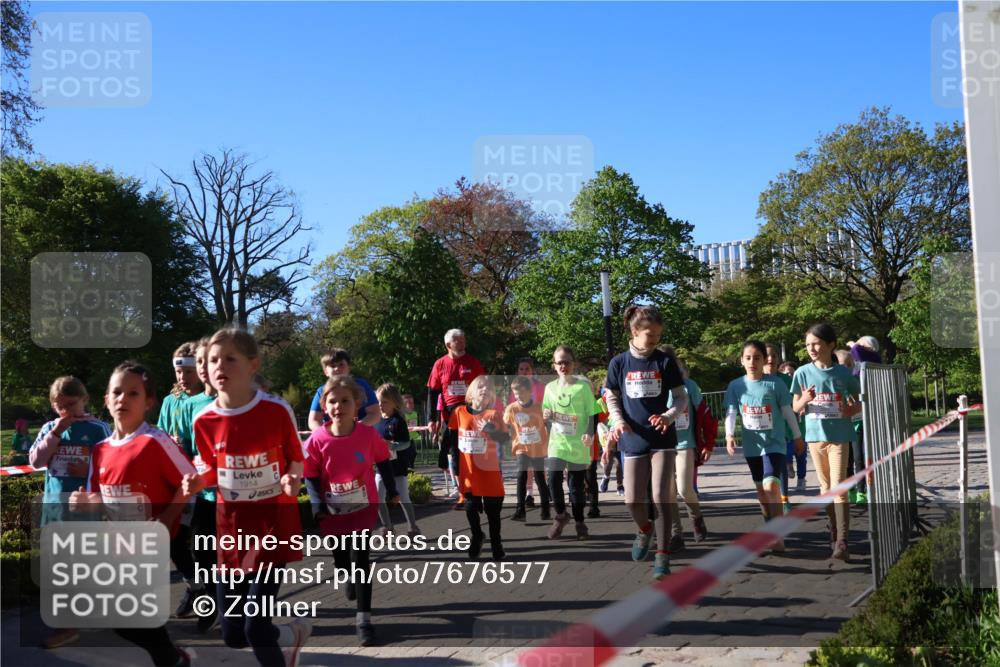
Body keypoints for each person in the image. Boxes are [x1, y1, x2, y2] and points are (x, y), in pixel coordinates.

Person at [183, 328, 311, 666]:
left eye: (229, 358)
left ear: (253, 364)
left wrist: (293, 477)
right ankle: (290, 634)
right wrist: (199, 483)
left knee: (254, 627)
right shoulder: (203, 420)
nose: (218, 366)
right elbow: (212, 469)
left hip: (272, 525)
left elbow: (296, 456)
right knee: (233, 634)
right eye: (212, 360)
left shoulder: (275, 410)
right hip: (231, 531)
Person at [68, 362, 194, 666]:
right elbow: (98, 497)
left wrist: (167, 519)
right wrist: (83, 502)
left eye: (133, 393)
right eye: (117, 392)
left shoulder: (155, 441)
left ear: (148, 402)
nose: (123, 399)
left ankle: (172, 659)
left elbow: (190, 482)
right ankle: (172, 658)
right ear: (107, 400)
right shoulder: (100, 449)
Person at [304, 375, 399, 646]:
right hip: (332, 513)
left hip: (362, 508)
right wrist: (317, 505)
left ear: (357, 404)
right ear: (324, 406)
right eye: (332, 401)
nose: (339, 406)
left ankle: (364, 619)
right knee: (342, 558)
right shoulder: (317, 439)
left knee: (361, 563)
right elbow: (310, 475)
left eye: (345, 401)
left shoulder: (368, 435)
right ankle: (343, 571)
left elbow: (383, 461)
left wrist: (392, 491)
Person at [604, 306, 686, 579]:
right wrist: (617, 421)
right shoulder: (619, 363)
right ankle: (644, 530)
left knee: (662, 497)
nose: (654, 341)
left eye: (658, 336)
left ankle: (662, 556)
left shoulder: (664, 361)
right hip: (633, 437)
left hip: (662, 437)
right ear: (634, 331)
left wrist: (668, 416)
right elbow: (612, 397)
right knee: (631, 500)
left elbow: (681, 398)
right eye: (650, 335)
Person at [30, 376, 111, 650]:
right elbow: (36, 461)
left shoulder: (98, 429)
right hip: (54, 509)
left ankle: (69, 625)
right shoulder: (49, 428)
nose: (65, 411)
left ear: (84, 400)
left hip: (84, 511)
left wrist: (87, 468)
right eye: (59, 405)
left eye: (71, 404)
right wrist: (54, 434)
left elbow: (111, 467)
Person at [725, 341, 806, 552]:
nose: (753, 362)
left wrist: (797, 436)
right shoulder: (735, 386)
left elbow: (788, 411)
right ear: (742, 361)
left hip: (774, 443)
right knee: (761, 490)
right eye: (748, 358)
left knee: (771, 486)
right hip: (752, 446)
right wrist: (729, 435)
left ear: (764, 360)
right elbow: (732, 412)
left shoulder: (775, 384)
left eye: (757, 358)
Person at [791, 323, 862, 562]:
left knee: (839, 487)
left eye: (816, 343)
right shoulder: (802, 372)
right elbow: (795, 407)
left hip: (839, 436)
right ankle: (834, 530)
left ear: (830, 344)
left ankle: (843, 539)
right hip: (815, 437)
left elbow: (858, 403)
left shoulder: (843, 373)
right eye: (808, 344)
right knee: (825, 490)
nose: (811, 348)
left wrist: (848, 410)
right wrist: (806, 399)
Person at [173, 336, 221, 632]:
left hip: (237, 495)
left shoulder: (235, 399)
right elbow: (187, 448)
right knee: (202, 552)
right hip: (204, 494)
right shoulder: (190, 404)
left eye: (207, 362)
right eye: (199, 362)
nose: (203, 368)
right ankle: (210, 600)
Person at [157, 342, 205, 620]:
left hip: (201, 484)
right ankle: (195, 587)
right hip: (174, 482)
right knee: (174, 541)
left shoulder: (207, 401)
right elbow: (160, 436)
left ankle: (210, 594)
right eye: (178, 371)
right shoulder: (169, 401)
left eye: (187, 371)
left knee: (198, 543)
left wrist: (187, 446)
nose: (182, 377)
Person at [542, 347, 601, 542]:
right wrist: (546, 416)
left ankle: (579, 522)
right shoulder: (550, 388)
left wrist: (589, 433)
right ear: (554, 365)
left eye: (566, 362)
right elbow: (546, 413)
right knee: (553, 480)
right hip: (557, 443)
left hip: (578, 444)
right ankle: (560, 515)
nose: (563, 366)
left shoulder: (582, 387)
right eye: (559, 362)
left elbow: (594, 413)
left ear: (573, 364)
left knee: (575, 486)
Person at [449, 375, 508, 560]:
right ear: (472, 390)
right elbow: (450, 439)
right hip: (469, 471)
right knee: (470, 506)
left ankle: (496, 544)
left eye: (489, 387)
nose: (485, 389)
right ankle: (477, 535)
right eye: (481, 386)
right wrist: (447, 460)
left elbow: (505, 439)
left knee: (493, 511)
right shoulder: (459, 412)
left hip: (490, 471)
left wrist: (491, 429)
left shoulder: (495, 414)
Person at [427, 329, 486, 510]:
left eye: (463, 339)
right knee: (457, 455)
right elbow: (433, 391)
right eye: (457, 340)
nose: (462, 342)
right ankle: (463, 494)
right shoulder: (440, 364)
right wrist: (432, 419)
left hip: (471, 413)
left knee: (472, 453)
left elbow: (484, 386)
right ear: (448, 345)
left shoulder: (473, 362)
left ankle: (476, 492)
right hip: (451, 416)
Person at [663, 346, 709, 547]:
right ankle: (676, 534)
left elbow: (704, 415)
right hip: (662, 445)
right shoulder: (654, 388)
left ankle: (696, 517)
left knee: (684, 488)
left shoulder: (689, 386)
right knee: (668, 492)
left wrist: (707, 443)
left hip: (685, 443)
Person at [374, 383, 421, 538]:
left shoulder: (398, 421)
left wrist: (392, 446)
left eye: (384, 401)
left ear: (394, 402)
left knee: (403, 497)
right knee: (377, 498)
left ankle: (413, 527)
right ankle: (387, 527)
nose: (381, 405)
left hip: (398, 468)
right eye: (378, 401)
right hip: (380, 468)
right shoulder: (376, 422)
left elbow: (406, 443)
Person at [764, 343, 806, 509]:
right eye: (767, 356)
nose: (770, 359)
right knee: (767, 469)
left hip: (784, 430)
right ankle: (770, 500)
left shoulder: (787, 380)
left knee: (781, 464)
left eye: (774, 355)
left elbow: (797, 402)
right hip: (761, 433)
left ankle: (784, 499)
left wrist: (803, 405)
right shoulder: (755, 380)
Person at [504, 375, 551, 522]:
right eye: (516, 393)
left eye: (522, 392)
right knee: (521, 476)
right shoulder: (512, 409)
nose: (519, 396)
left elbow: (547, 424)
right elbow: (504, 424)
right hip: (521, 447)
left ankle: (545, 508)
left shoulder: (539, 407)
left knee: (539, 478)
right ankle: (520, 509)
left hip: (537, 448)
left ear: (530, 391)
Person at [307, 349, 379, 430]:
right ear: (326, 372)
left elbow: (375, 414)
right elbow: (313, 420)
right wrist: (326, 434)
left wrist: (354, 429)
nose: (337, 368)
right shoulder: (322, 391)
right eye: (333, 366)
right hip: (333, 436)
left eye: (341, 364)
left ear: (349, 367)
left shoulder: (362, 386)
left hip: (360, 434)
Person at [507, 359, 546, 507]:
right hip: (522, 433)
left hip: (538, 431)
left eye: (527, 369)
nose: (524, 371)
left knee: (539, 466)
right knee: (526, 466)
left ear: (532, 371)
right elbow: (512, 409)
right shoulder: (514, 388)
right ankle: (529, 494)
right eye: (521, 369)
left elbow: (544, 407)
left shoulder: (540, 387)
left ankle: (544, 491)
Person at [848, 335, 881, 504]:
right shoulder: (854, 369)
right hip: (853, 419)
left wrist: (854, 344)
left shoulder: (869, 359)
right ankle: (853, 489)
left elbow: (856, 350)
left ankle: (862, 490)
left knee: (861, 457)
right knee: (853, 458)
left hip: (863, 418)